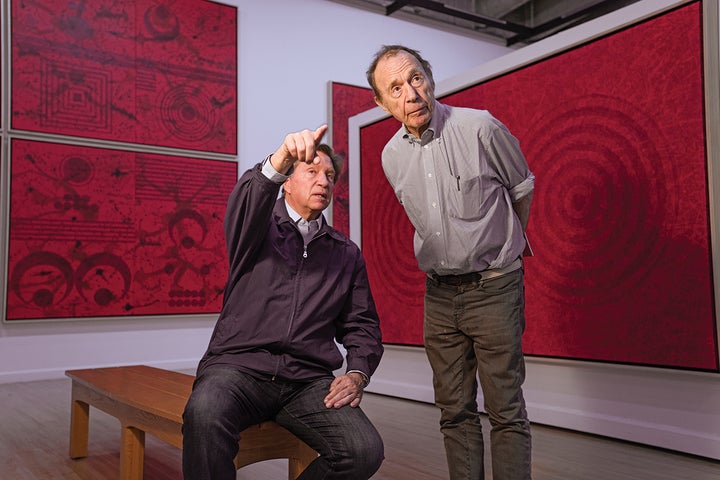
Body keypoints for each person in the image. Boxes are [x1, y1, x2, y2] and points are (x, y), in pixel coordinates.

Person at [366, 45, 534, 480]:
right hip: (440, 296)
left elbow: (521, 191)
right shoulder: (391, 156)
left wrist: (502, 247)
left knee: (506, 411)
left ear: (430, 77)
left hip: (495, 287)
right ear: (382, 103)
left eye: (416, 78)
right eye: (396, 88)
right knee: (454, 412)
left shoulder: (480, 127)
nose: (411, 94)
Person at [182, 124, 384, 480]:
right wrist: (279, 159)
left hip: (307, 381)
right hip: (239, 369)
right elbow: (249, 198)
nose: (323, 181)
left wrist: (357, 372)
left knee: (364, 449)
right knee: (205, 413)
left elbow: (361, 324)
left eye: (330, 175)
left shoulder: (346, 253)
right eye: (311, 171)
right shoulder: (256, 228)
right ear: (287, 181)